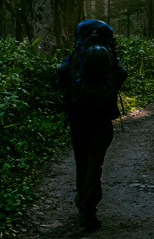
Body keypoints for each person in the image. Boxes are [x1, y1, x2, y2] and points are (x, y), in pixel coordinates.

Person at [57, 19, 128, 231]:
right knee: (95, 164)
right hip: (103, 117)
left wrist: (70, 91)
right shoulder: (108, 58)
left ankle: (83, 202)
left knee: (82, 161)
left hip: (79, 117)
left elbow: (61, 72)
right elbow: (122, 74)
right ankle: (88, 211)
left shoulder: (77, 56)